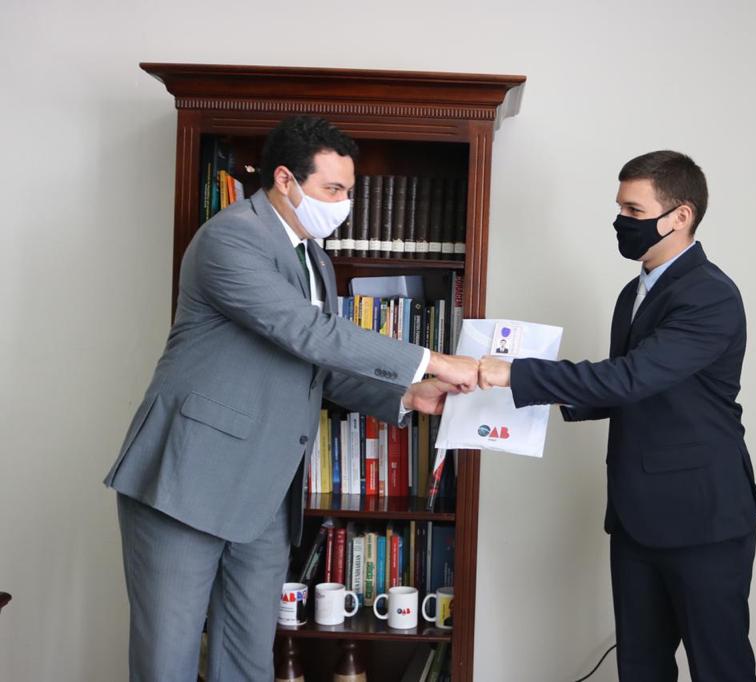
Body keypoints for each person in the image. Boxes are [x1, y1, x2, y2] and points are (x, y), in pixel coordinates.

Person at [103, 115, 477, 682]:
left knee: (249, 658)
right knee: (167, 661)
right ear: (284, 179)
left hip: (266, 491)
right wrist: (437, 360)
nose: (344, 204)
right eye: (333, 189)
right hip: (188, 480)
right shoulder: (231, 237)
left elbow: (313, 368)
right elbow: (308, 332)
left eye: (349, 191)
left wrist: (408, 395)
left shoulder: (315, 258)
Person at [479, 150, 756, 681]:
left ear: (680, 216)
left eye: (634, 211)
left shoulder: (710, 296)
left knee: (720, 668)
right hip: (636, 516)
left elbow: (630, 378)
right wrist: (497, 392)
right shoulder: (631, 294)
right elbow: (628, 391)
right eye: (619, 208)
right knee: (639, 666)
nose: (621, 221)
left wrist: (511, 374)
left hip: (703, 519)